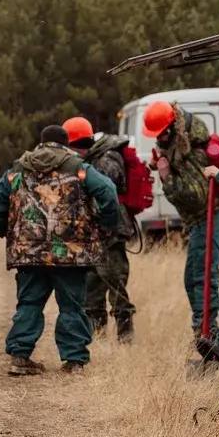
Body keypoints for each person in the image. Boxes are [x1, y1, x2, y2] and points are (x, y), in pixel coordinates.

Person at [0, 124, 119, 376]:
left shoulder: (20, 166)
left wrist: (7, 230)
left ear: (42, 142)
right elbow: (108, 191)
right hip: (69, 251)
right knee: (71, 305)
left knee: (29, 303)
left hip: (29, 250)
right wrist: (106, 226)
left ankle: (19, 356)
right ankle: (74, 361)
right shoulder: (77, 166)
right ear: (65, 143)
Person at [142, 101, 219, 364]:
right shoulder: (174, 144)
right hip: (197, 219)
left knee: (204, 274)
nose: (159, 140)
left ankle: (210, 336)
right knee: (192, 277)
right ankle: (202, 331)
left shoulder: (194, 149)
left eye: (161, 134)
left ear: (173, 127)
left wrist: (167, 178)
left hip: (211, 213)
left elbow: (197, 196)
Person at [63, 116, 135, 342]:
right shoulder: (95, 158)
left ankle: (125, 336)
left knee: (114, 280)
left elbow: (107, 197)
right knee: (92, 282)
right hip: (96, 230)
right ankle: (97, 334)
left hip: (110, 230)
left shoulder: (105, 160)